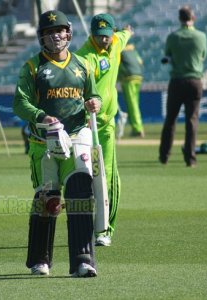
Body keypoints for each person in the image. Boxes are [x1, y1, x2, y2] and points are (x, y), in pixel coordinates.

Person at [13, 10, 101, 277]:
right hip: (44, 142)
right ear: (42, 37)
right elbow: (20, 103)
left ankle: (83, 260)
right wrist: (41, 116)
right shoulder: (32, 67)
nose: (55, 36)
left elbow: (92, 94)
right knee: (47, 199)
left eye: (60, 30)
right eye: (49, 32)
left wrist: (94, 102)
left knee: (80, 194)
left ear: (69, 33)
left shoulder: (83, 64)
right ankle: (40, 260)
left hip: (76, 137)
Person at [76, 14, 133, 246]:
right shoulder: (83, 58)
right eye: (99, 36)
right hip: (84, 125)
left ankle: (104, 230)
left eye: (107, 36)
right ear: (91, 34)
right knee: (83, 178)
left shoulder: (117, 41)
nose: (104, 40)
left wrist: (128, 30)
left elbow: (125, 33)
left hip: (107, 126)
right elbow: (77, 90)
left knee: (108, 177)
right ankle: (80, 225)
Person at [159, 5, 207, 167]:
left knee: (170, 120)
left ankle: (164, 156)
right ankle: (190, 159)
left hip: (177, 81)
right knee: (191, 121)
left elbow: (168, 55)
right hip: (195, 81)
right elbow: (203, 56)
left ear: (180, 19)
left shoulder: (173, 37)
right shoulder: (201, 37)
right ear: (193, 17)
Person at [118, 42, 144, 138]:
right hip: (138, 76)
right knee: (134, 104)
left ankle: (138, 129)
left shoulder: (119, 50)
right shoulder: (133, 51)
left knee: (132, 105)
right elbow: (141, 62)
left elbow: (117, 64)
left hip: (128, 78)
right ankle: (136, 128)